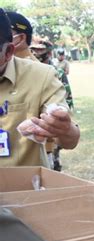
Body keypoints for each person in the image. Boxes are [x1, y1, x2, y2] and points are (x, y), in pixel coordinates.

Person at [0, 8, 80, 168]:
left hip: (25, 188)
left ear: (8, 51)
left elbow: (70, 140)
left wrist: (63, 129)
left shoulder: (41, 76)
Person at [30, 40, 74, 171]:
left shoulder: (57, 72)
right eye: (34, 49)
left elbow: (67, 97)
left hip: (52, 124)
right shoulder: (27, 71)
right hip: (33, 127)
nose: (36, 53)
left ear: (48, 52)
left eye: (40, 50)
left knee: (52, 160)